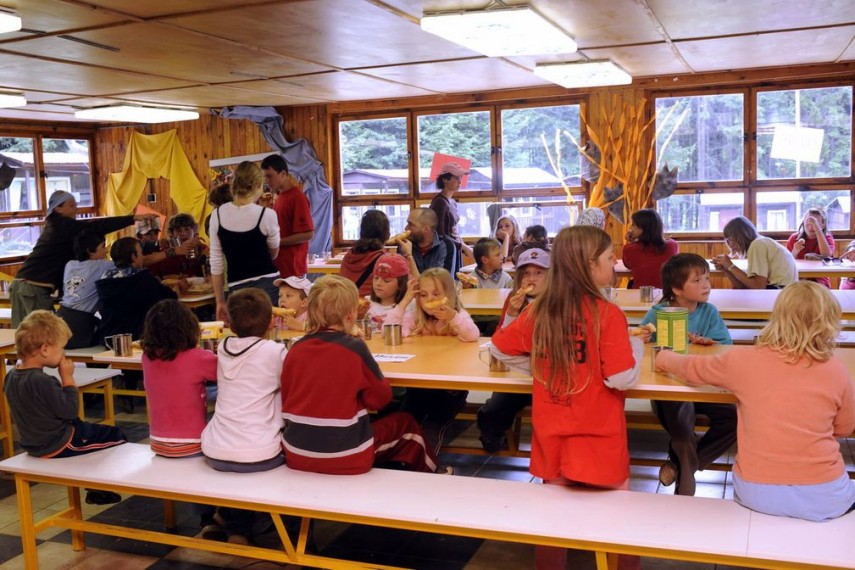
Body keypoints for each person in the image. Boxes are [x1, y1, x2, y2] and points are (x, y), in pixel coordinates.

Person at [491, 225, 643, 570]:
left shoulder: (540, 310)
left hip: (552, 433)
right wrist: (636, 346)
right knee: (617, 523)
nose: (615, 262)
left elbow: (499, 347)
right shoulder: (607, 313)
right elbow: (621, 377)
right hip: (599, 437)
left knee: (552, 524)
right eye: (609, 257)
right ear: (589, 265)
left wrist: (544, 368)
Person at [655, 280, 855, 522]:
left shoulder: (745, 360)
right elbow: (844, 428)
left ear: (778, 317)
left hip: (757, 492)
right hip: (825, 494)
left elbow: (693, 368)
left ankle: (682, 466)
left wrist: (663, 357)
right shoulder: (837, 370)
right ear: (830, 322)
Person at [281, 275, 442, 474]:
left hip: (295, 452)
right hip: (347, 455)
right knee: (406, 424)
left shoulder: (295, 349)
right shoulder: (354, 347)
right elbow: (380, 400)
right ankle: (435, 474)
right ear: (351, 315)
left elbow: (287, 398)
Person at [4, 310, 127, 505]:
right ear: (45, 349)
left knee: (90, 432)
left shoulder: (11, 376)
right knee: (116, 435)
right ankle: (98, 489)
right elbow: (70, 410)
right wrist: (68, 379)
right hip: (59, 443)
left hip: (31, 443)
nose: (63, 353)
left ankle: (94, 483)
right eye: (61, 348)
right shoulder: (43, 380)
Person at [638, 253, 735, 496]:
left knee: (734, 418)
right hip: (668, 389)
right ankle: (685, 481)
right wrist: (644, 338)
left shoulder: (709, 312)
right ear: (677, 289)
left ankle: (682, 466)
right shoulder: (658, 312)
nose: (706, 285)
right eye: (697, 280)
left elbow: (725, 346)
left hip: (701, 385)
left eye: (707, 278)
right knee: (682, 426)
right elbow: (642, 343)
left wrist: (709, 343)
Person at [200, 288, 287, 544]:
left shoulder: (223, 347)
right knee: (280, 451)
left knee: (240, 459)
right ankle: (242, 530)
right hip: (260, 453)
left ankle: (224, 516)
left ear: (229, 323)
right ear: (271, 322)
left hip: (215, 449)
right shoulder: (275, 352)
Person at [10, 190, 155, 327]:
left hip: (19, 283)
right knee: (45, 332)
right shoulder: (62, 225)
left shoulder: (56, 227)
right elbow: (96, 226)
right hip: (33, 287)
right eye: (71, 205)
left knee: (22, 334)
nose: (76, 209)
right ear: (58, 209)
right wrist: (132, 219)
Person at [385, 267, 479, 454]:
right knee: (403, 421)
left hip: (450, 389)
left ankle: (425, 463)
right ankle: (396, 459)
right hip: (419, 387)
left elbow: (472, 335)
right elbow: (389, 330)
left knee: (432, 429)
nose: (429, 300)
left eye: (436, 294)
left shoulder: (457, 315)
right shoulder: (415, 317)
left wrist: (453, 317)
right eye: (423, 295)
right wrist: (405, 301)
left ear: (449, 295)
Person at [477, 248, 550, 453]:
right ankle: (494, 440)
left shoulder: (557, 302)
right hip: (519, 371)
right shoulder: (514, 299)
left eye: (538, 273)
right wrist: (511, 314)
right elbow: (501, 339)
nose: (531, 279)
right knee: (492, 410)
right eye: (526, 273)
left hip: (550, 372)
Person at [142, 299, 218, 459]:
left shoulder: (147, 357)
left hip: (157, 442)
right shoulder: (198, 357)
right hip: (192, 443)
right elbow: (227, 374)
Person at [209, 161, 281, 322]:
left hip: (237, 287)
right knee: (269, 333)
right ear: (258, 185)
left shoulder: (217, 216)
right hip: (268, 284)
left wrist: (220, 301)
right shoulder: (267, 214)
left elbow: (216, 264)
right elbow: (274, 253)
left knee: (243, 334)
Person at [95, 237, 180, 341]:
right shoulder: (140, 278)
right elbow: (168, 300)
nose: (142, 257)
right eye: (140, 253)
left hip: (109, 336)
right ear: (133, 256)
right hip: (136, 337)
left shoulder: (105, 280)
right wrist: (176, 289)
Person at [57, 229, 113, 348]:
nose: (106, 250)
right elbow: (130, 262)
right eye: (103, 246)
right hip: (79, 324)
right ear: (90, 251)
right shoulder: (102, 266)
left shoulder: (70, 264)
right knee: (109, 336)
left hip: (60, 318)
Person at [261, 154, 314, 279]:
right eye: (265, 177)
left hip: (293, 269)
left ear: (283, 174)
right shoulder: (280, 197)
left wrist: (276, 242)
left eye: (270, 176)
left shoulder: (297, 197)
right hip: (279, 267)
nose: (267, 181)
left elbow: (308, 234)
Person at [713, 216, 798, 289]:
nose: (729, 244)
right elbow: (744, 287)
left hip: (781, 291)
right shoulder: (758, 243)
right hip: (783, 290)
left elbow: (759, 287)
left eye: (730, 239)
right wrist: (727, 270)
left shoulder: (757, 245)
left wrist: (730, 266)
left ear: (740, 237)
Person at [430, 162, 472, 270]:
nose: (459, 181)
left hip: (455, 247)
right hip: (445, 251)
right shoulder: (439, 202)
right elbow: (439, 234)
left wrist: (463, 245)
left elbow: (454, 231)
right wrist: (464, 247)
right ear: (445, 179)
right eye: (456, 178)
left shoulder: (452, 202)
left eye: (460, 177)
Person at [622, 208, 679, 288]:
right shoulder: (672, 245)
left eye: (633, 225)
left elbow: (628, 265)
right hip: (668, 293)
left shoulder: (629, 249)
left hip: (641, 293)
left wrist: (631, 242)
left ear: (643, 228)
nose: (630, 228)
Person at [339, 209, 390, 296]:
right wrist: (408, 255)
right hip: (372, 303)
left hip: (347, 302)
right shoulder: (385, 260)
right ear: (387, 235)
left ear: (361, 232)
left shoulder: (348, 256)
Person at [397, 208, 456, 277]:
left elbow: (440, 282)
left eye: (411, 224)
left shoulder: (446, 246)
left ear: (426, 229)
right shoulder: (404, 245)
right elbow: (402, 280)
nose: (406, 228)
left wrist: (409, 256)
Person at [786, 207, 834, 288]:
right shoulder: (794, 238)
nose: (811, 228)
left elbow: (827, 256)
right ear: (803, 223)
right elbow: (787, 263)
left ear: (823, 225)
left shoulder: (827, 238)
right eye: (808, 224)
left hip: (819, 279)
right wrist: (795, 251)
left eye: (815, 224)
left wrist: (817, 228)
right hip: (798, 277)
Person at [149, 213, 206, 279]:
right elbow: (153, 275)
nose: (183, 233)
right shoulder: (165, 251)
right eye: (178, 230)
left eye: (187, 229)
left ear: (194, 231)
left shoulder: (202, 248)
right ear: (172, 233)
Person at [366, 253, 410, 331]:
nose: (378, 283)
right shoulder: (367, 304)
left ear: (400, 284)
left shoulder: (409, 306)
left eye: (386, 280)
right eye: (376, 278)